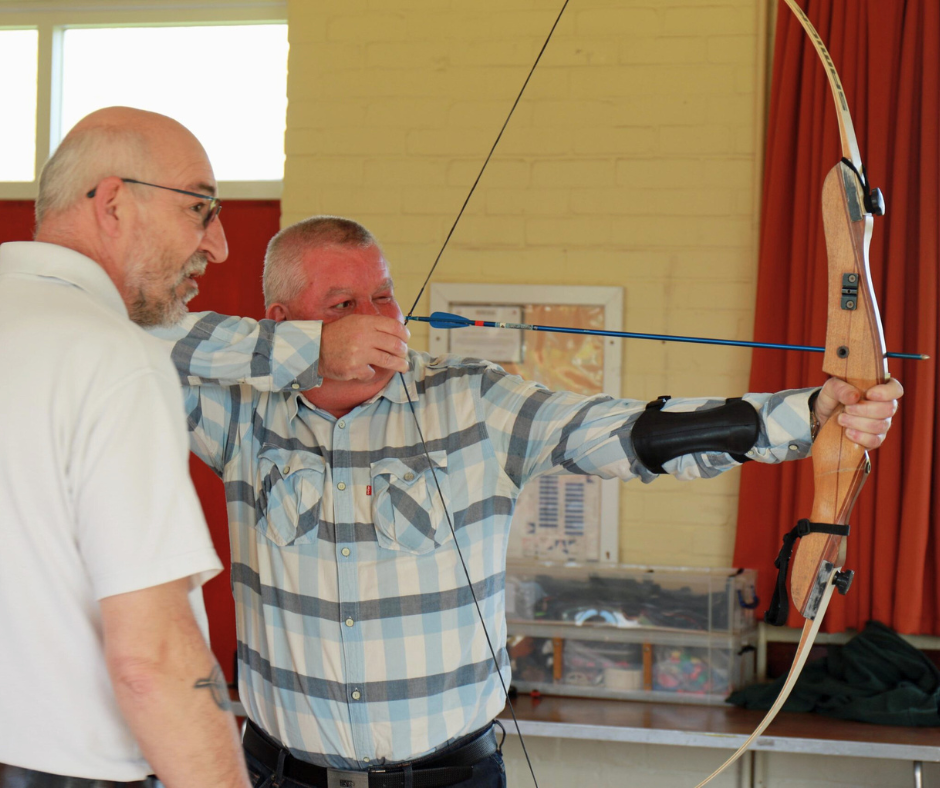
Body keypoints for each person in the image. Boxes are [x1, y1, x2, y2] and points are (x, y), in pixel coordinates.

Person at [153, 216, 902, 788]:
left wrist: (806, 417)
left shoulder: (474, 401)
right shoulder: (243, 415)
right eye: (343, 304)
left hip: (449, 776)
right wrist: (303, 357)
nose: (376, 318)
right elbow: (123, 330)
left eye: (382, 295)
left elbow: (622, 433)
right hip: (281, 773)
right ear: (283, 322)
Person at [0, 107, 251, 788]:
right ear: (113, 202)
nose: (219, 244)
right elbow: (155, 659)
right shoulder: (114, 358)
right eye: (201, 208)